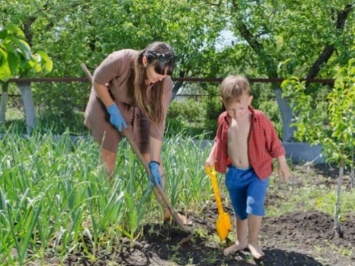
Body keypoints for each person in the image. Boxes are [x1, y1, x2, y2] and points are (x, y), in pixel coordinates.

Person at [84, 41, 184, 223]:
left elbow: (157, 123)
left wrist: (154, 161)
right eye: (158, 72)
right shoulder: (120, 60)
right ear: (145, 60)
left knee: (151, 158)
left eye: (166, 74)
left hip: (140, 106)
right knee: (108, 153)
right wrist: (112, 109)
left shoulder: (164, 84)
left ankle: (168, 211)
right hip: (107, 99)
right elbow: (98, 82)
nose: (161, 78)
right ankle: (110, 210)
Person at [205, 75, 290, 259]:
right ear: (223, 103)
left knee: (254, 205)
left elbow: (274, 142)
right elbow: (219, 141)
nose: (237, 113)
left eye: (241, 108)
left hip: (257, 172)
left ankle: (253, 241)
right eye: (231, 109)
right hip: (234, 173)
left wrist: (282, 163)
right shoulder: (224, 120)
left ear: (249, 100)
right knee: (240, 210)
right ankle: (241, 241)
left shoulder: (259, 119)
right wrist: (211, 156)